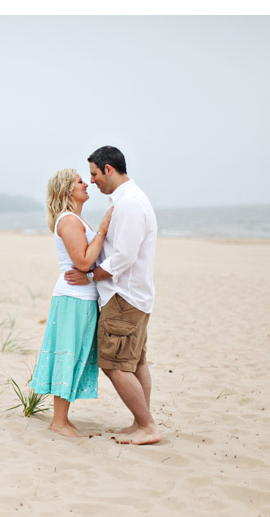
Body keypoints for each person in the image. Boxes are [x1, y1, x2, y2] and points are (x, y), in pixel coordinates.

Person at [65, 146, 161, 445]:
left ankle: (147, 426)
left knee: (115, 365)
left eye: (94, 174)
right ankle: (140, 422)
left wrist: (90, 275)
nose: (92, 181)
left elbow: (124, 258)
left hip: (123, 296)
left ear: (108, 169)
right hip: (134, 295)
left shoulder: (130, 204)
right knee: (135, 363)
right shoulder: (128, 200)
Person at [29, 169, 112, 438]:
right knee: (67, 352)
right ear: (66, 190)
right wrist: (103, 229)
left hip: (82, 297)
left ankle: (62, 419)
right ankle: (59, 421)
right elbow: (85, 262)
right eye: (79, 181)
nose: (86, 184)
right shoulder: (68, 220)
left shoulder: (76, 219)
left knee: (74, 353)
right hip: (72, 298)